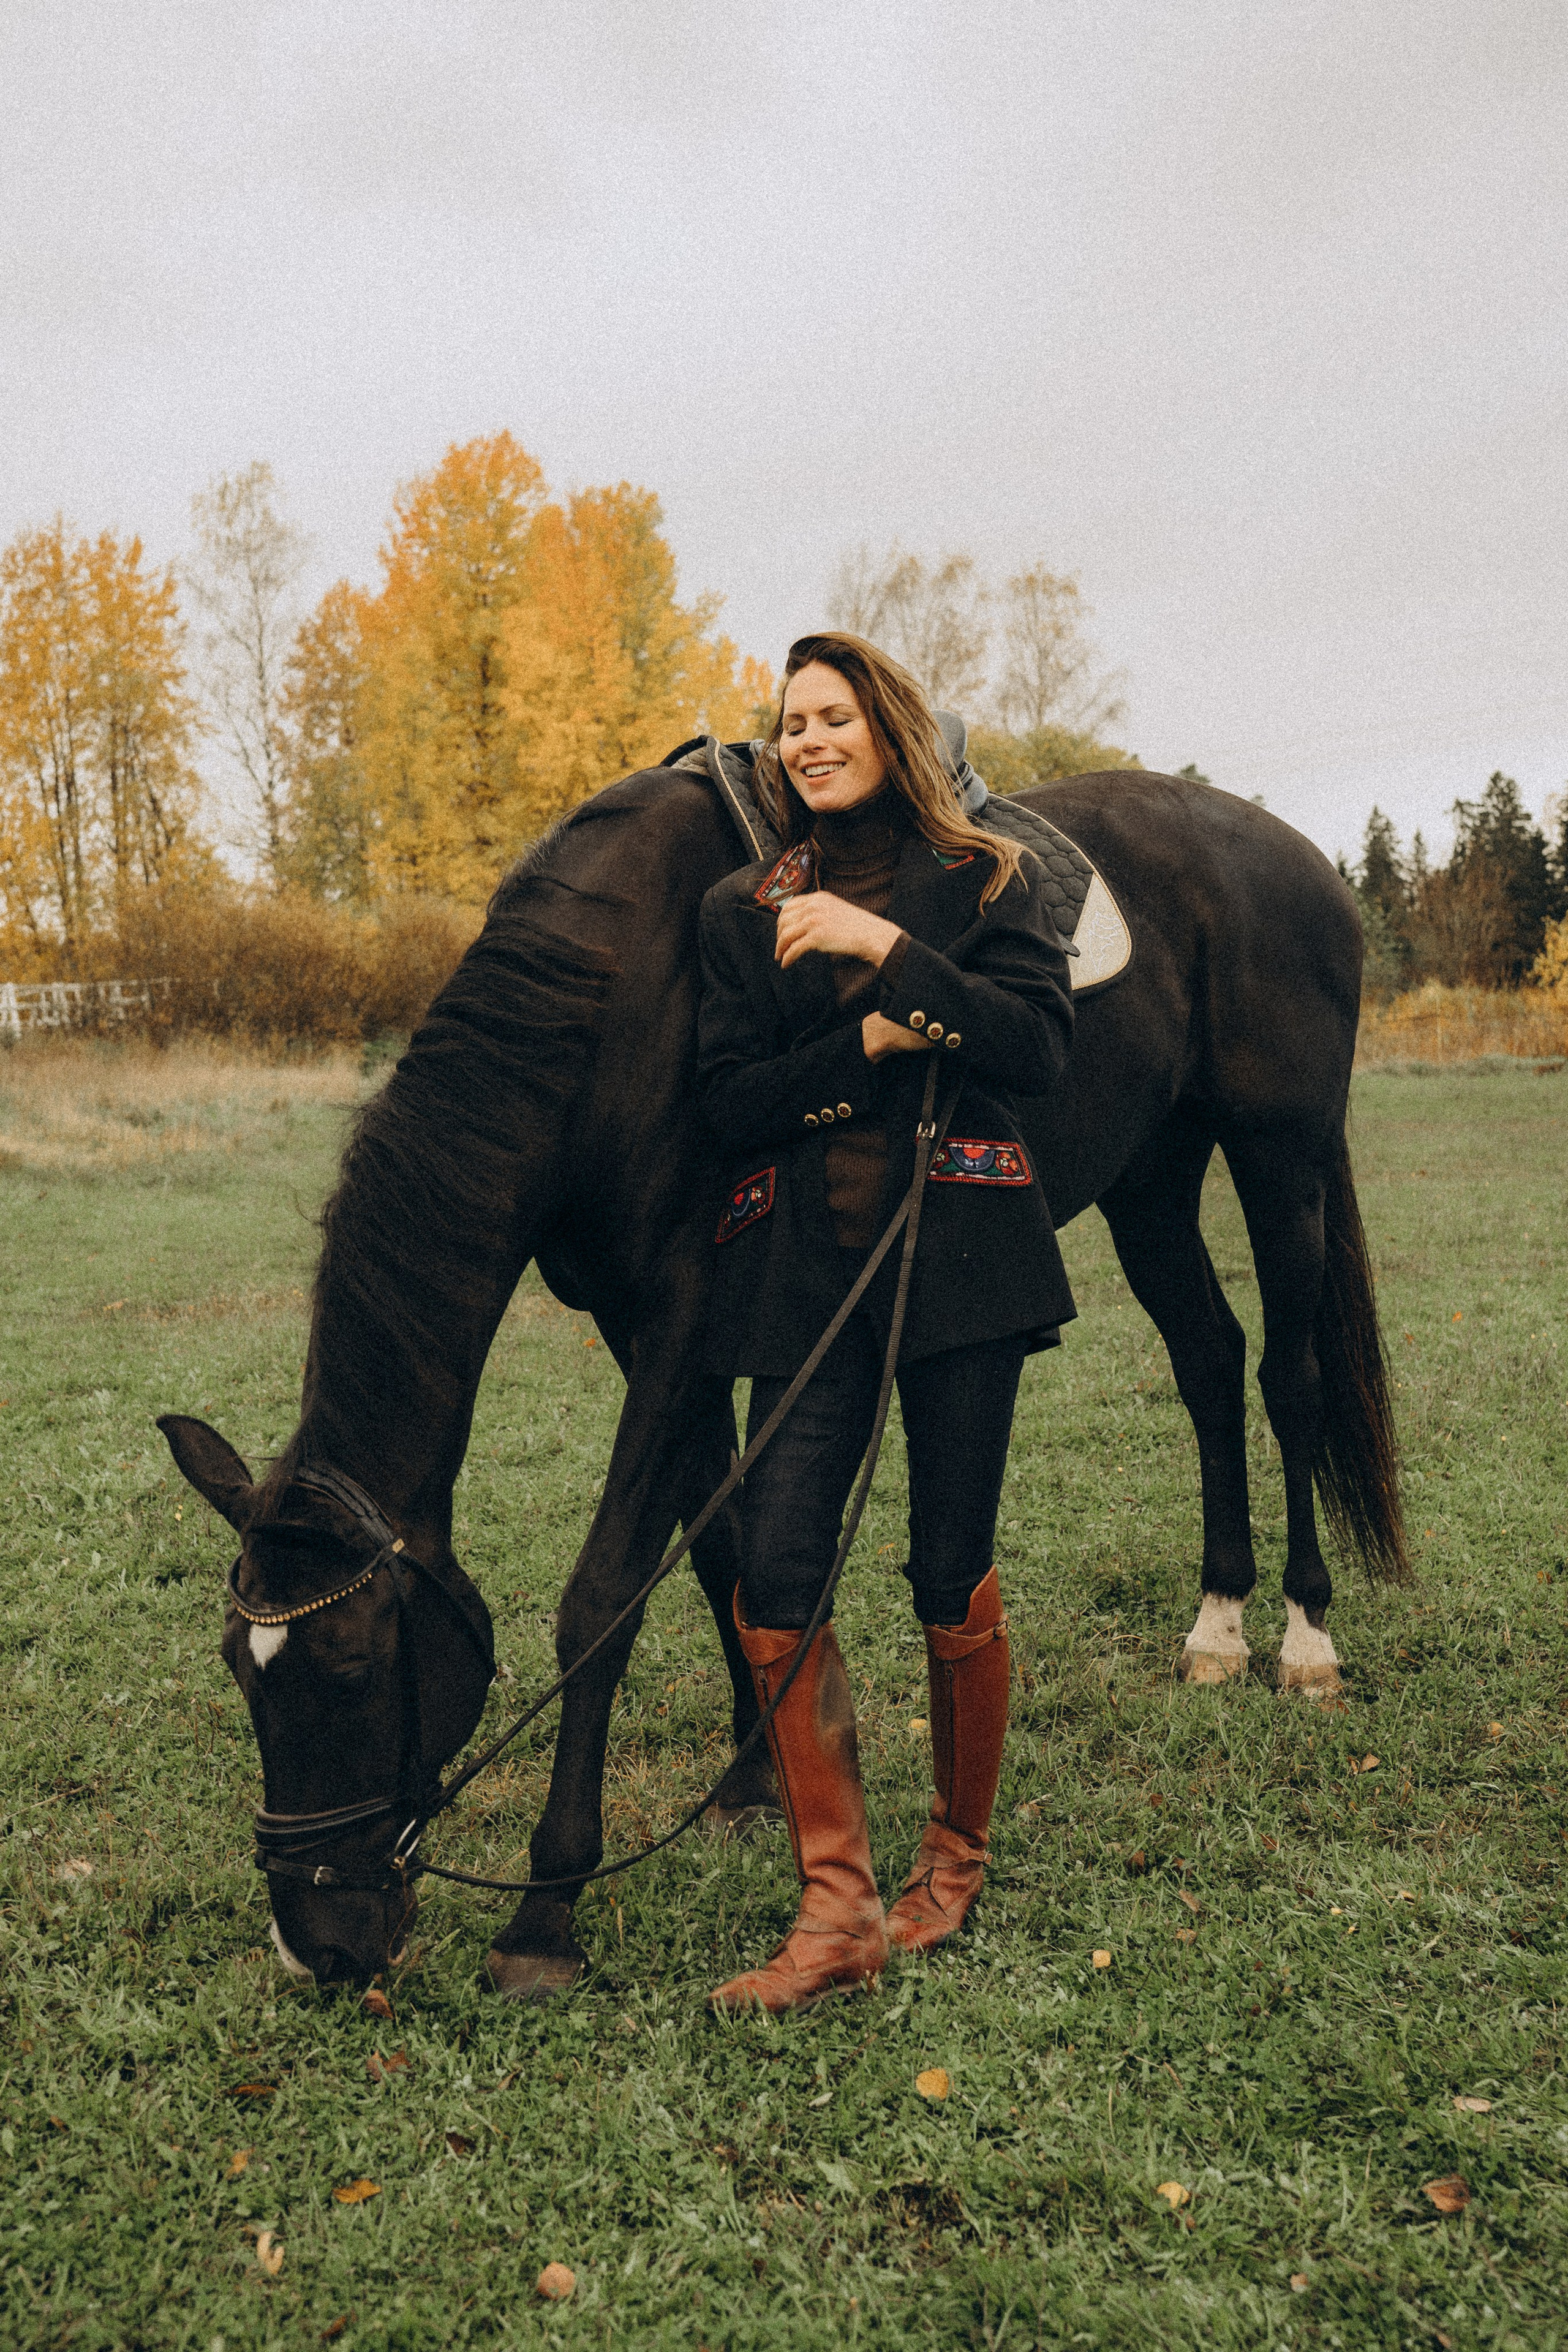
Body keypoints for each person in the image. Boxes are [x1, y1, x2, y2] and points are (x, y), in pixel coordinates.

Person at [696, 631, 1077, 2015]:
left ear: (887, 725)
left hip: (962, 1266)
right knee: (776, 1570)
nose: (806, 740)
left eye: (832, 714)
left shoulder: (988, 878)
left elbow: (1035, 1052)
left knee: (943, 1565)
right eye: (788, 723)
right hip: (801, 1281)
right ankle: (836, 1907)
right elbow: (726, 1102)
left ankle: (953, 1862)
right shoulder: (741, 906)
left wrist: (888, 952)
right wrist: (867, 1042)